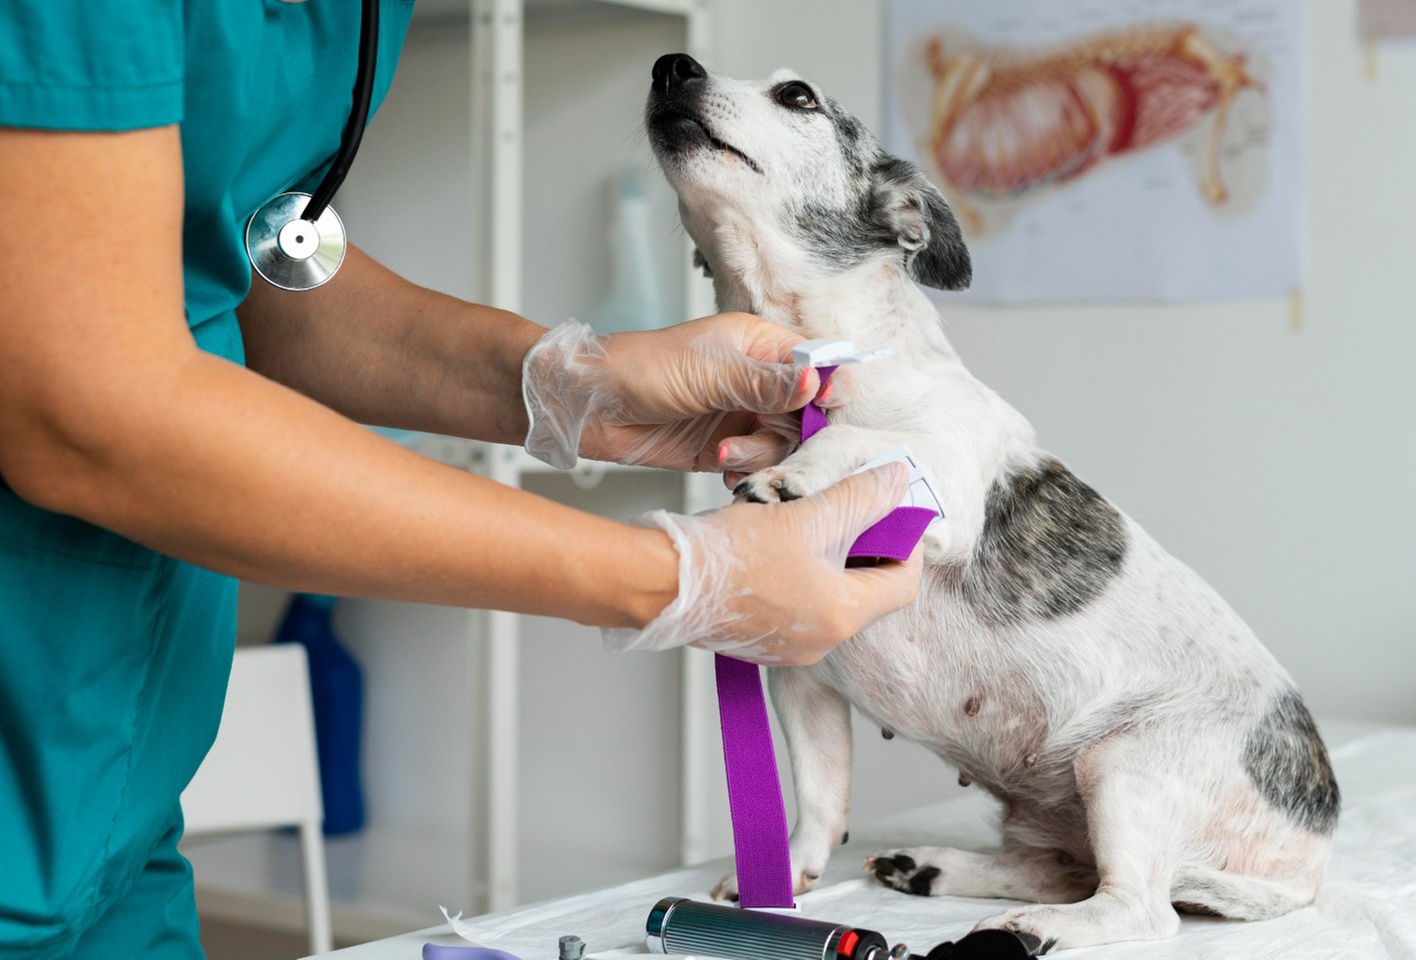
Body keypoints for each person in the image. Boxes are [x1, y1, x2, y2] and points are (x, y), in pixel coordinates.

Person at [0, 4, 922, 958]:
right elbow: (88, 406)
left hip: (116, 826)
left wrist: (570, 383)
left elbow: (236, 259)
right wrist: (676, 578)